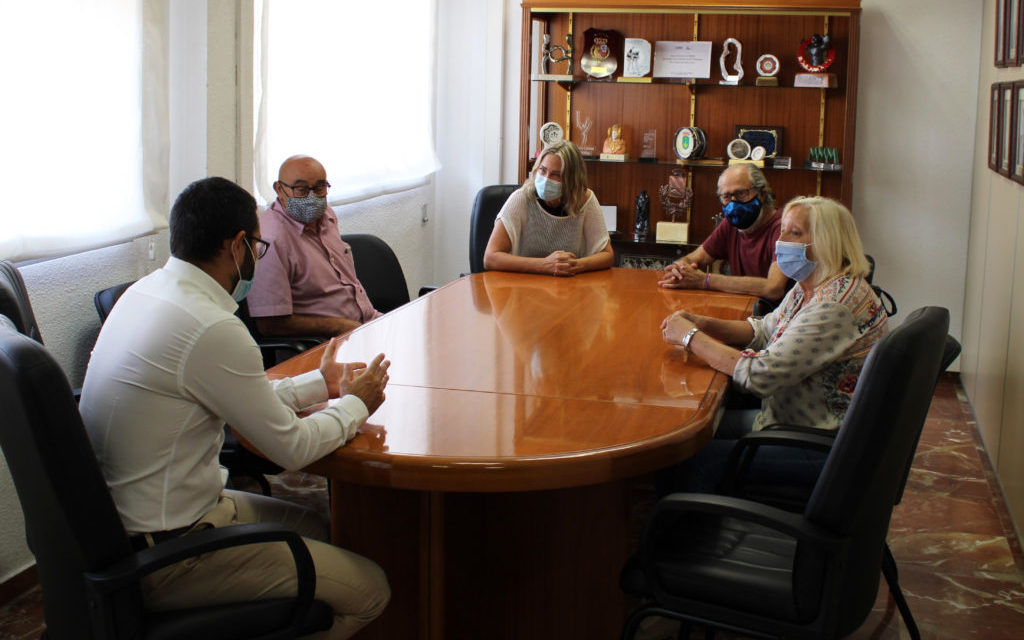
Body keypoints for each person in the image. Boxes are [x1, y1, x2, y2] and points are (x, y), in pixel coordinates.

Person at [80, 177, 392, 639]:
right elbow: (292, 449)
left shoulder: (147, 293)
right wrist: (354, 405)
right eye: (258, 247)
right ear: (237, 245)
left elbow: (233, 398)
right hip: (170, 556)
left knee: (322, 526)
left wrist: (318, 384)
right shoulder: (211, 326)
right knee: (372, 589)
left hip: (127, 530)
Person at [659, 196, 888, 491]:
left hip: (818, 446)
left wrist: (690, 338)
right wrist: (703, 324)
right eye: (782, 231)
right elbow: (764, 329)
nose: (781, 242)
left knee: (684, 459)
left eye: (795, 233)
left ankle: (683, 531)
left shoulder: (833, 305)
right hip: (785, 421)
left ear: (827, 241)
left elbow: (760, 375)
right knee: (685, 433)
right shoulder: (812, 284)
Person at [248, 155, 381, 338]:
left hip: (367, 325)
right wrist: (338, 326)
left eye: (319, 188)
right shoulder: (272, 241)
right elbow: (270, 324)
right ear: (279, 189)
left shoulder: (326, 214)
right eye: (301, 189)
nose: (312, 197)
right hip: (325, 345)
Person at [658, 164, 789, 302]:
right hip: (744, 310)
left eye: (741, 193)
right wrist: (679, 270)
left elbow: (774, 288)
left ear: (762, 194)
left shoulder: (783, 229)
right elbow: (693, 258)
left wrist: (705, 281)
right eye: (726, 196)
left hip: (775, 318)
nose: (733, 203)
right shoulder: (730, 225)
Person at [483, 140, 614, 276]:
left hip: (569, 288)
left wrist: (576, 265)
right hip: (524, 287)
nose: (546, 179)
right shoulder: (521, 198)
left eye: (556, 175)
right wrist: (545, 265)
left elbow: (607, 255)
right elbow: (490, 257)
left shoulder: (585, 199)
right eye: (543, 170)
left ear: (571, 180)